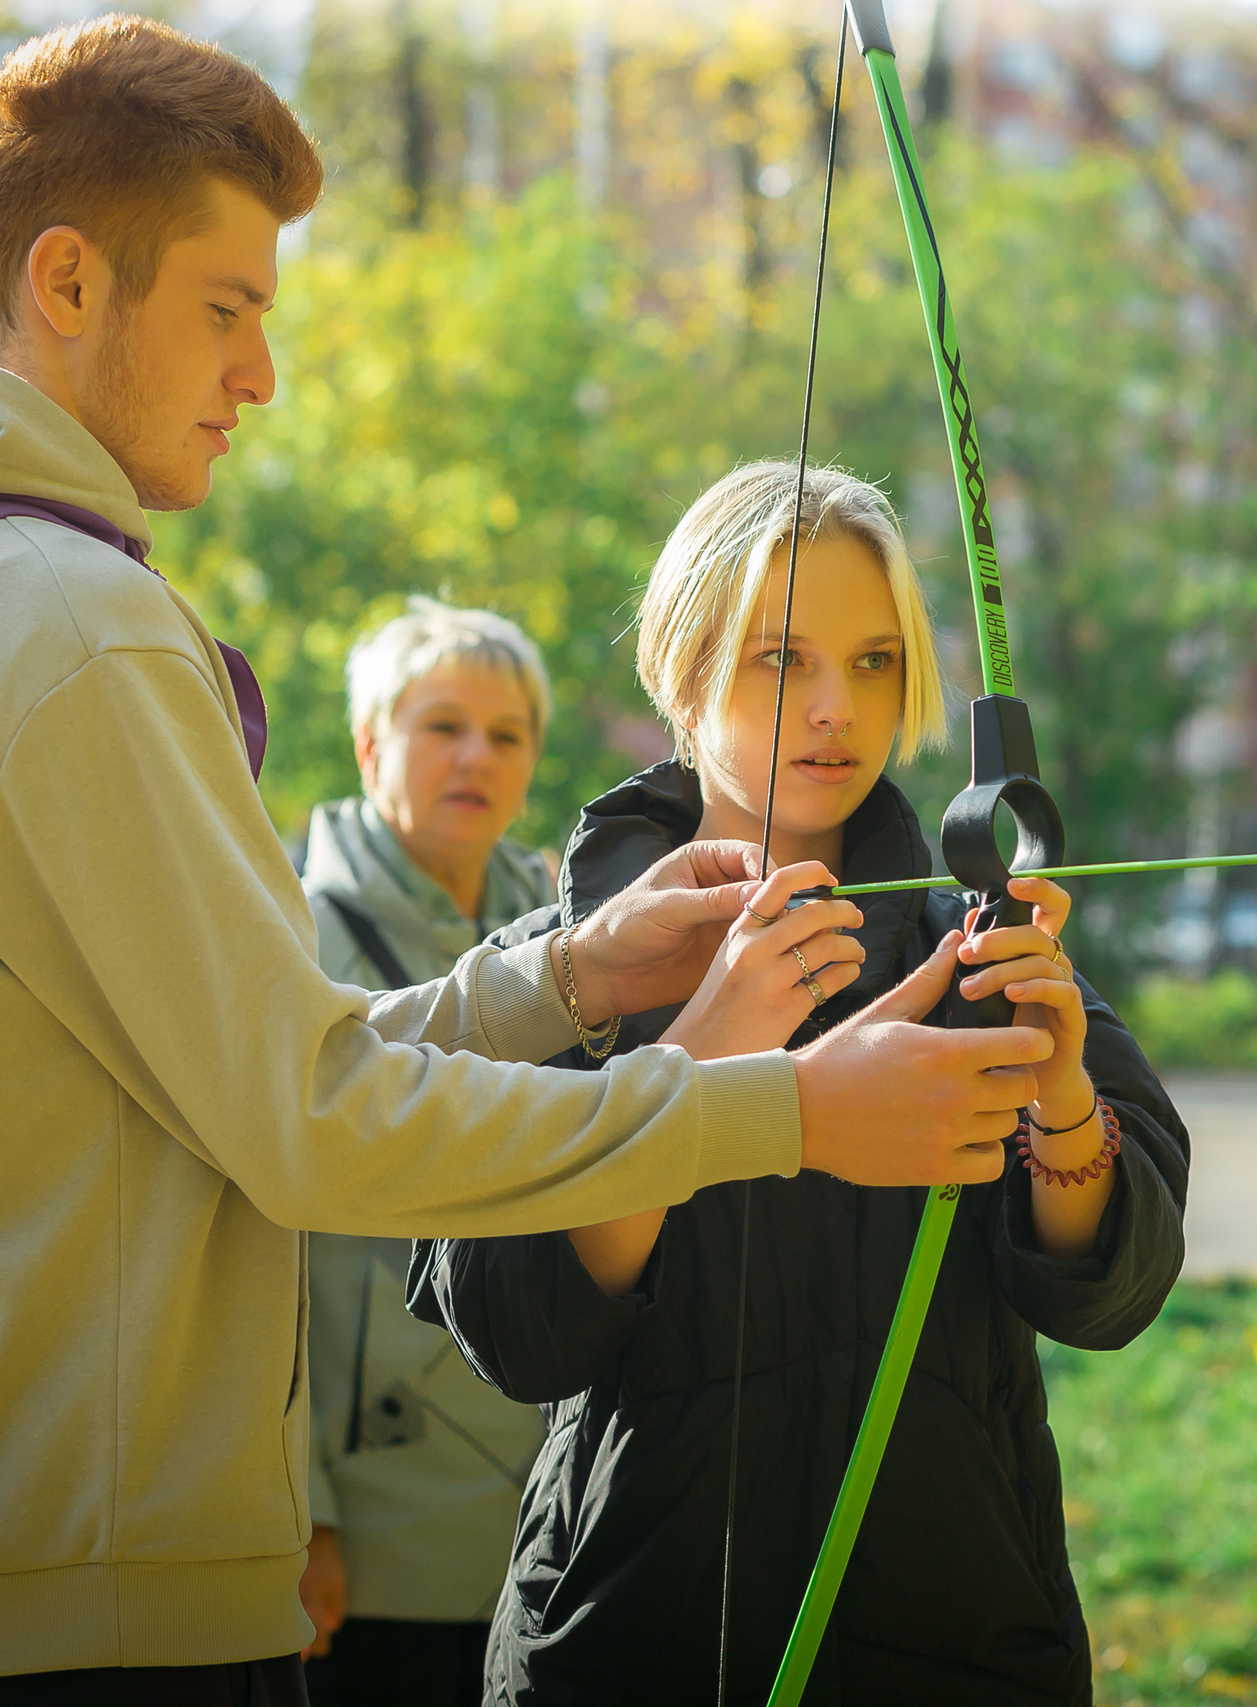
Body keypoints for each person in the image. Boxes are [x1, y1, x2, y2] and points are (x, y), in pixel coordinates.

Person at [0, 20, 1052, 1700]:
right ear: (65, 280)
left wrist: (564, 977)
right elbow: (307, 1123)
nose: (261, 374)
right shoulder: (61, 619)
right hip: (78, 1617)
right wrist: (785, 1108)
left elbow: (254, 1070)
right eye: (228, 309)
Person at [408, 463, 1191, 1705]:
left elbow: (1114, 1290)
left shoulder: (973, 951)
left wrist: (1061, 1101)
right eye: (781, 659)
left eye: (875, 662)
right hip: (628, 1651)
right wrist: (702, 1047)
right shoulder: (556, 976)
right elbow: (520, 1330)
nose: (835, 707)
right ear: (683, 669)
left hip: (961, 1644)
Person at [297, 600, 559, 1702]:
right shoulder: (291, 943)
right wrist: (299, 1514)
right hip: (364, 1540)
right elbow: (257, 1259)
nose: (475, 757)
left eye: (506, 735)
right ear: (370, 745)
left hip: (545, 1519)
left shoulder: (578, 942)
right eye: (442, 725)